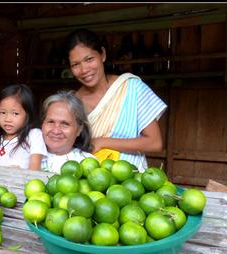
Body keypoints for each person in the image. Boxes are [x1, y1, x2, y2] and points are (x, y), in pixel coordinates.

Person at [63, 28, 167, 172]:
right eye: (75, 64)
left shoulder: (132, 88)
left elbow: (155, 143)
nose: (84, 69)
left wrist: (102, 142)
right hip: (90, 182)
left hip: (132, 181)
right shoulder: (72, 103)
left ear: (102, 55)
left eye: (89, 59)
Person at [40, 90, 96, 173]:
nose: (56, 131)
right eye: (51, 122)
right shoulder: (24, 155)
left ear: (79, 130)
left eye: (65, 124)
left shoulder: (87, 163)